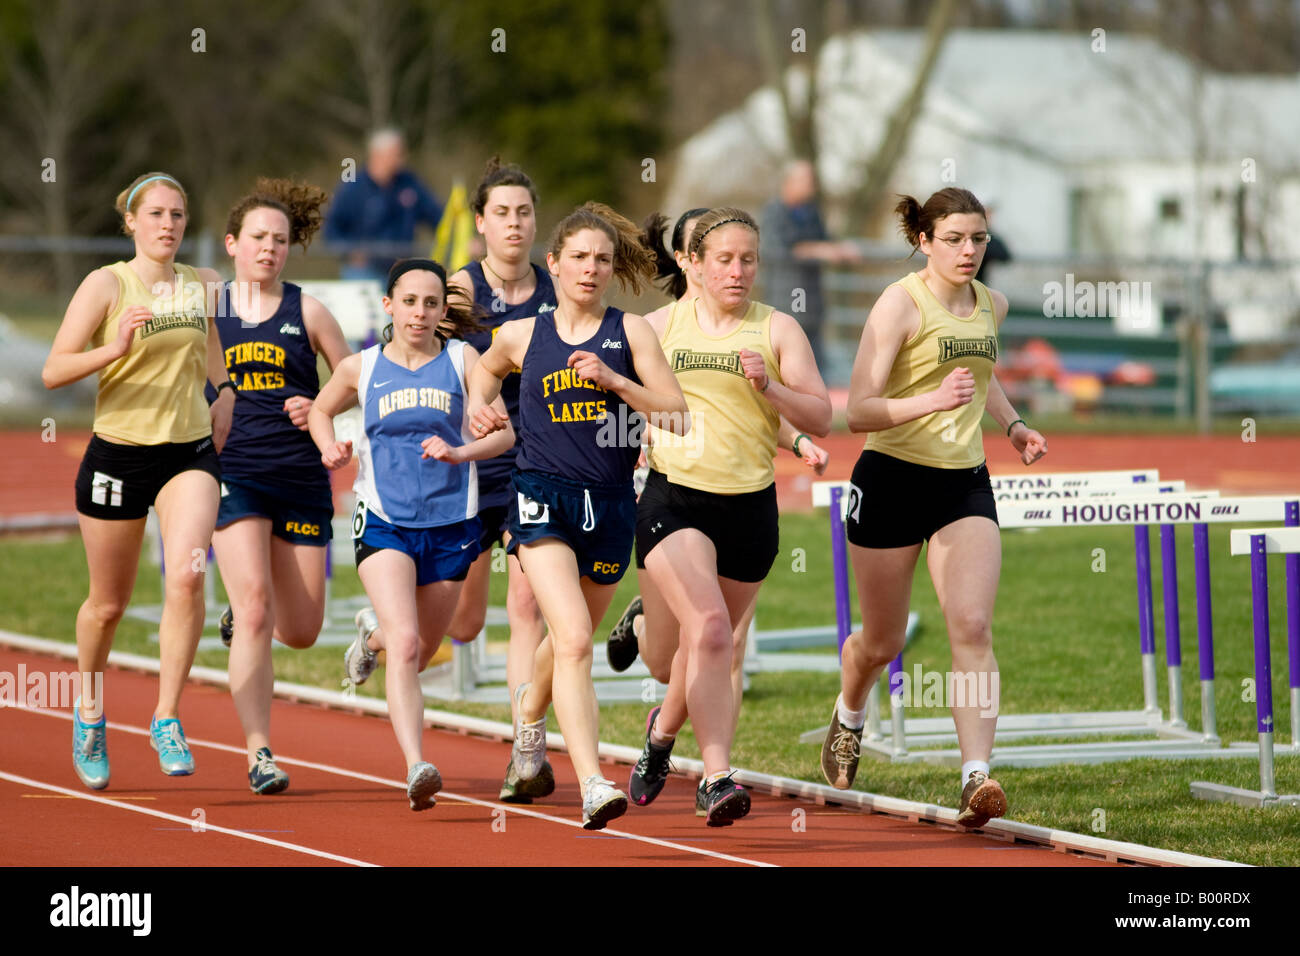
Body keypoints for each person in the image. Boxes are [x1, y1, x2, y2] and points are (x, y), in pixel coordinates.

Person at [819, 187, 1047, 829]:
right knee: (882, 640)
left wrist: (1012, 424)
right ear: (924, 241)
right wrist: (930, 401)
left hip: (962, 484)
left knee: (971, 625)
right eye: (954, 239)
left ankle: (976, 775)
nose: (969, 251)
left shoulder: (991, 305)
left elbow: (984, 373)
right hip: (890, 479)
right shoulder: (899, 304)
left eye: (977, 239)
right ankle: (851, 708)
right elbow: (857, 409)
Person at [466, 202, 688, 830]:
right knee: (571, 640)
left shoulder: (631, 332)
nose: (591, 269)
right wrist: (481, 411)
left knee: (569, 641)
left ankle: (529, 723)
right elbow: (484, 373)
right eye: (580, 258)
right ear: (554, 264)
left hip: (613, 504)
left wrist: (616, 382)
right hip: (540, 500)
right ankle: (593, 781)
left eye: (603, 260)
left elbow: (674, 412)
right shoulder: (522, 335)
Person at [622, 207, 832, 826]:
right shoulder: (656, 327)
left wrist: (771, 390)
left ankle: (660, 737)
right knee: (712, 630)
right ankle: (716, 778)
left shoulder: (778, 329)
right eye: (724, 260)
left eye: (748, 260)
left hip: (749, 509)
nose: (738, 271)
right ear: (693, 263)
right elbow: (619, 396)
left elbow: (821, 416)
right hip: (673, 497)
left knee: (697, 648)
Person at [42, 172, 235, 790]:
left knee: (187, 572)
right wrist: (113, 348)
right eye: (155, 214)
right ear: (131, 221)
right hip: (118, 456)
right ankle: (90, 713)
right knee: (108, 605)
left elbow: (211, 346)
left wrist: (226, 390)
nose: (168, 225)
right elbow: (53, 370)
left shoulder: (201, 284)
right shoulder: (107, 284)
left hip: (189, 453)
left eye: (178, 214)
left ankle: (166, 717)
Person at [308, 258, 514, 811]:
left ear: (443, 311)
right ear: (389, 306)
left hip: (452, 523)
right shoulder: (362, 367)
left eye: (430, 304)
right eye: (409, 302)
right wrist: (330, 447)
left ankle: (368, 637)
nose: (419, 313)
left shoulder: (463, 359)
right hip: (384, 519)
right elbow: (321, 412)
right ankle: (417, 765)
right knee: (406, 644)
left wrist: (462, 449)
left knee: (419, 651)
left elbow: (505, 435)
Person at [208, 178, 352, 794]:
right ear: (233, 243)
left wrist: (317, 405)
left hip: (299, 476)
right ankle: (259, 752)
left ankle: (241, 618)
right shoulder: (207, 309)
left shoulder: (309, 311)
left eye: (281, 240)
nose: (269, 249)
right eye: (258, 238)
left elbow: (353, 382)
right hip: (230, 472)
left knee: (301, 630)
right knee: (258, 609)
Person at [442, 157, 556, 804]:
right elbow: (413, 359)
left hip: (533, 463)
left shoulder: (552, 289)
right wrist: (464, 404)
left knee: (526, 607)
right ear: (480, 223)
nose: (514, 224)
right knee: (461, 619)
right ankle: (385, 629)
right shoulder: (458, 291)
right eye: (502, 213)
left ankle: (524, 747)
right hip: (466, 461)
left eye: (524, 212)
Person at [759, 159, 860, 369]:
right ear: (789, 182)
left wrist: (840, 248)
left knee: (816, 366)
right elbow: (779, 251)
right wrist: (820, 251)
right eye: (806, 179)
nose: (812, 185)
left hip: (813, 303)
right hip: (787, 301)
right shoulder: (774, 212)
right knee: (787, 364)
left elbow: (825, 240)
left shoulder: (811, 212)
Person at [323, 129, 444, 280]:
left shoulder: (410, 183)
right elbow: (332, 229)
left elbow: (438, 216)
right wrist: (350, 253)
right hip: (363, 272)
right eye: (397, 154)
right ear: (377, 155)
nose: (403, 159)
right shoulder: (352, 187)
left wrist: (463, 239)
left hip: (401, 270)